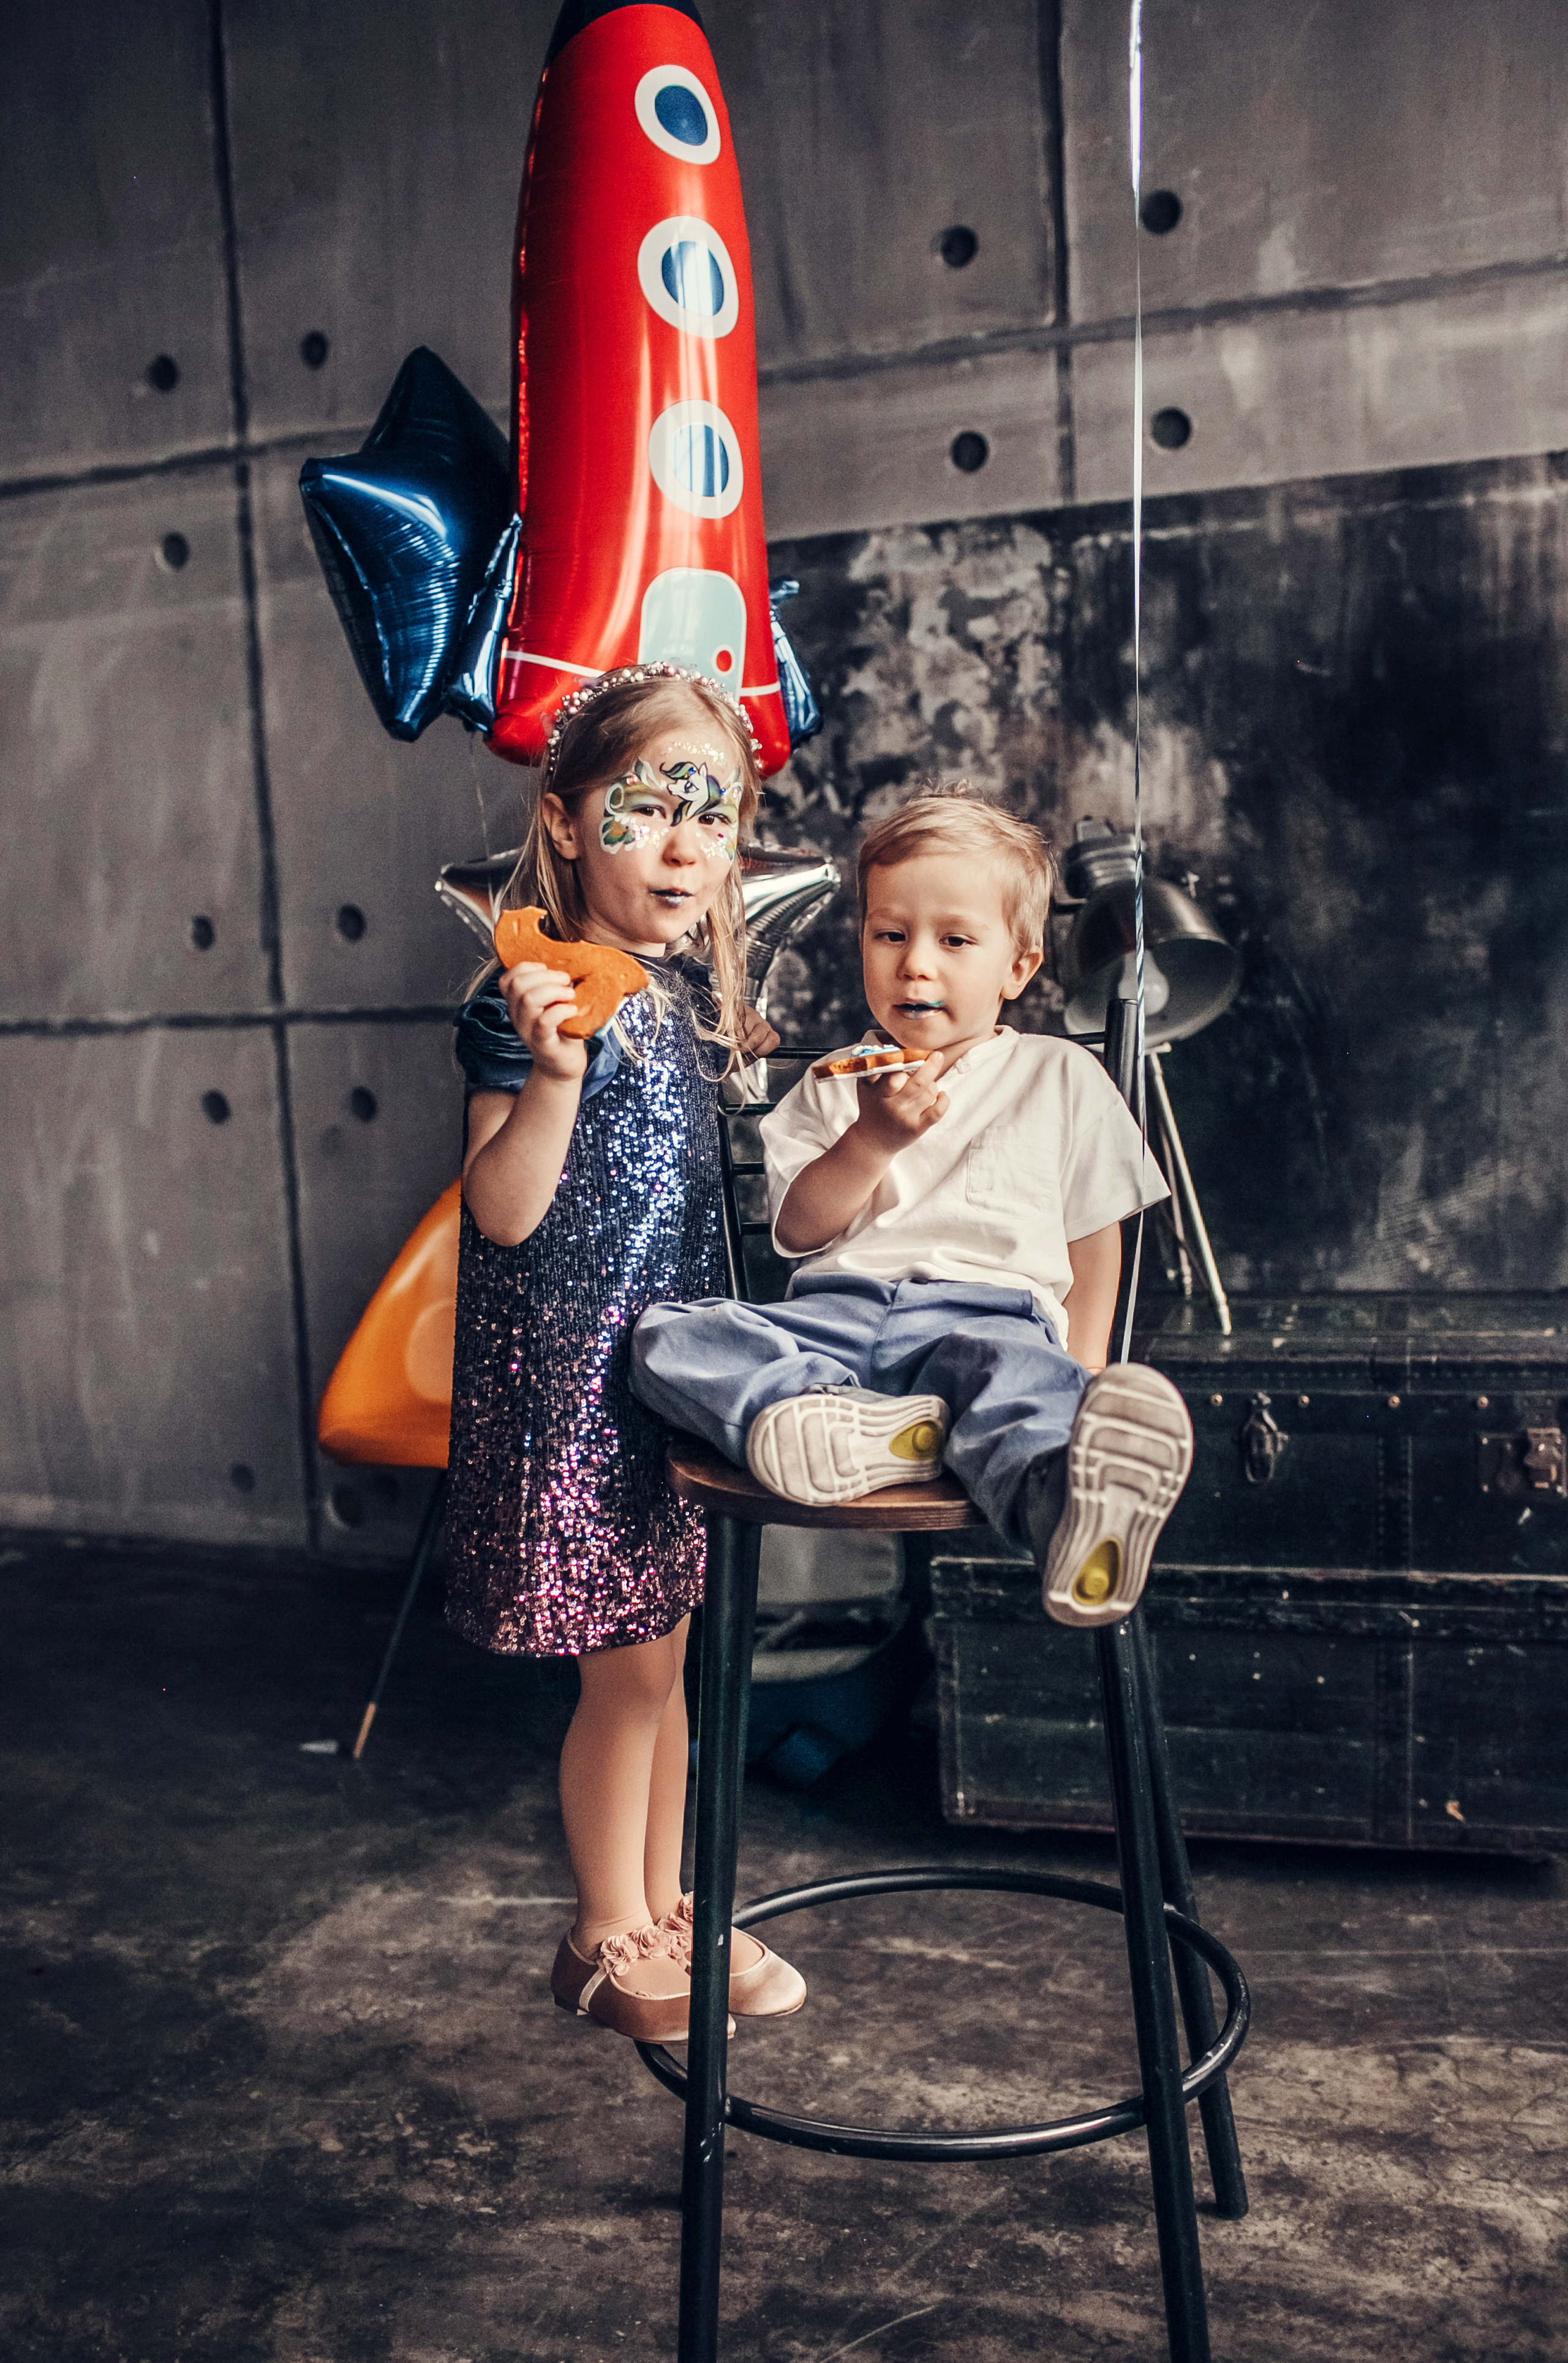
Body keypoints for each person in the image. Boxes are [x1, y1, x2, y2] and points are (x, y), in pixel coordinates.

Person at [447, 664, 805, 2045]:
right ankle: (606, 1926)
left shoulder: (682, 992)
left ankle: (671, 1906)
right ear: (562, 815)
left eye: (708, 819)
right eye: (643, 809)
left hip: (673, 1371)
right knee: (626, 1669)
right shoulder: (527, 996)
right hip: (573, 1385)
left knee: (670, 1657)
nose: (680, 847)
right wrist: (550, 1077)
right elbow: (504, 1209)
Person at [631, 788, 1194, 1627]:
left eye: (954, 940)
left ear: (1018, 966)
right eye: (890, 934)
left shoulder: (1061, 1077)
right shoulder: (838, 1083)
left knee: (1024, 1389)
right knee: (664, 1337)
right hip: (831, 1332)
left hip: (990, 1326)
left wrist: (1083, 1377)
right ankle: (821, 1420)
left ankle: (1064, 1503)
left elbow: (1095, 1248)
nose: (915, 965)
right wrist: (871, 1141)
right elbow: (796, 1231)